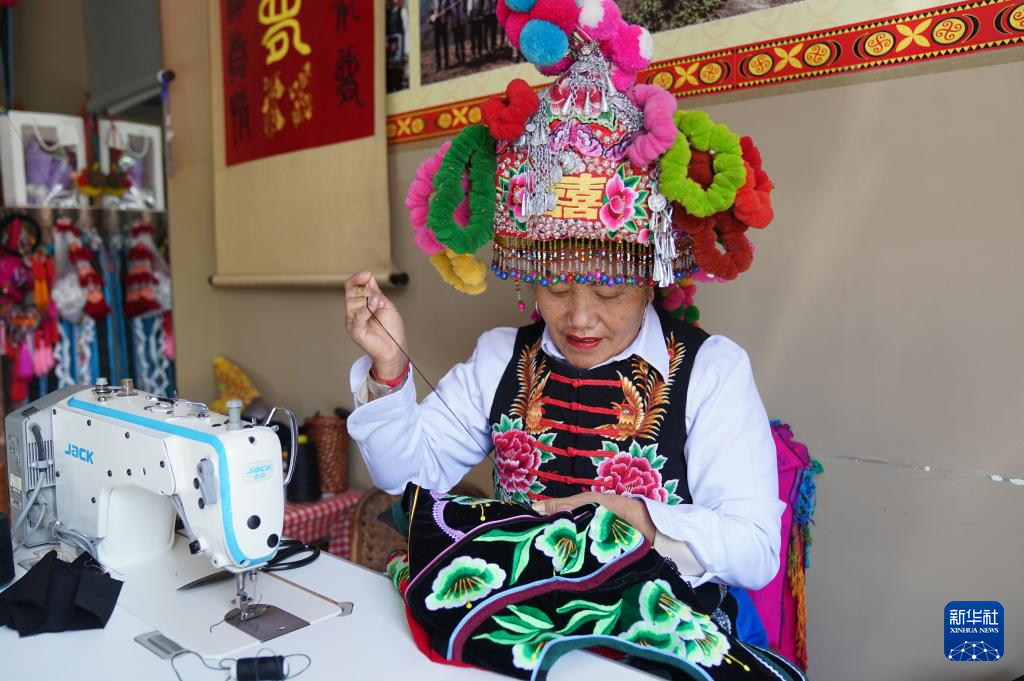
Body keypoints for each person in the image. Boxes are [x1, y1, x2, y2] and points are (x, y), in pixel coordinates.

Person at [343, 2, 793, 677]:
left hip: (649, 644)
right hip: (513, 626)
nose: (580, 318)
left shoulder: (711, 371)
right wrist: (388, 369)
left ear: (652, 276)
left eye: (608, 292)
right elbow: (408, 475)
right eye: (554, 288)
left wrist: (639, 517)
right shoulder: (503, 357)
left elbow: (756, 549)